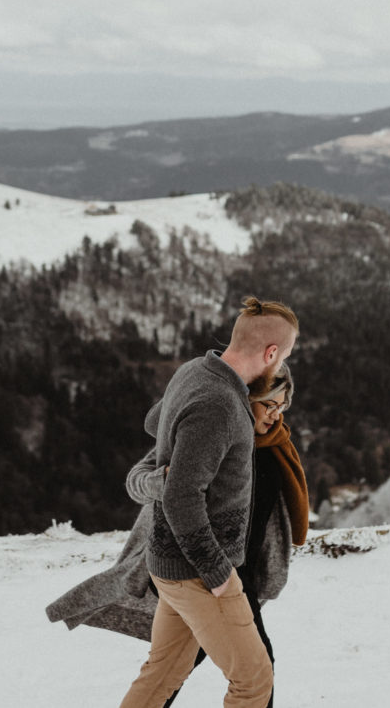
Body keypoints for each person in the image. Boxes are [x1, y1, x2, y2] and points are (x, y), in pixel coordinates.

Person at [46, 296, 298, 708]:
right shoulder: (221, 404)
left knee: (163, 672)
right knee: (254, 680)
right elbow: (183, 497)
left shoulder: (195, 371)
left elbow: (155, 422)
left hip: (170, 567)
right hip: (199, 575)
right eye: (285, 354)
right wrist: (220, 577)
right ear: (271, 353)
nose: (283, 362)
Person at [153, 364, 307, 707]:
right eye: (270, 405)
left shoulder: (271, 447)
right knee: (251, 673)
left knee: (169, 671)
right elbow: (160, 485)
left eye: (282, 407)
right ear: (247, 398)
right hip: (205, 570)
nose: (276, 416)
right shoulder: (214, 434)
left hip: (239, 573)